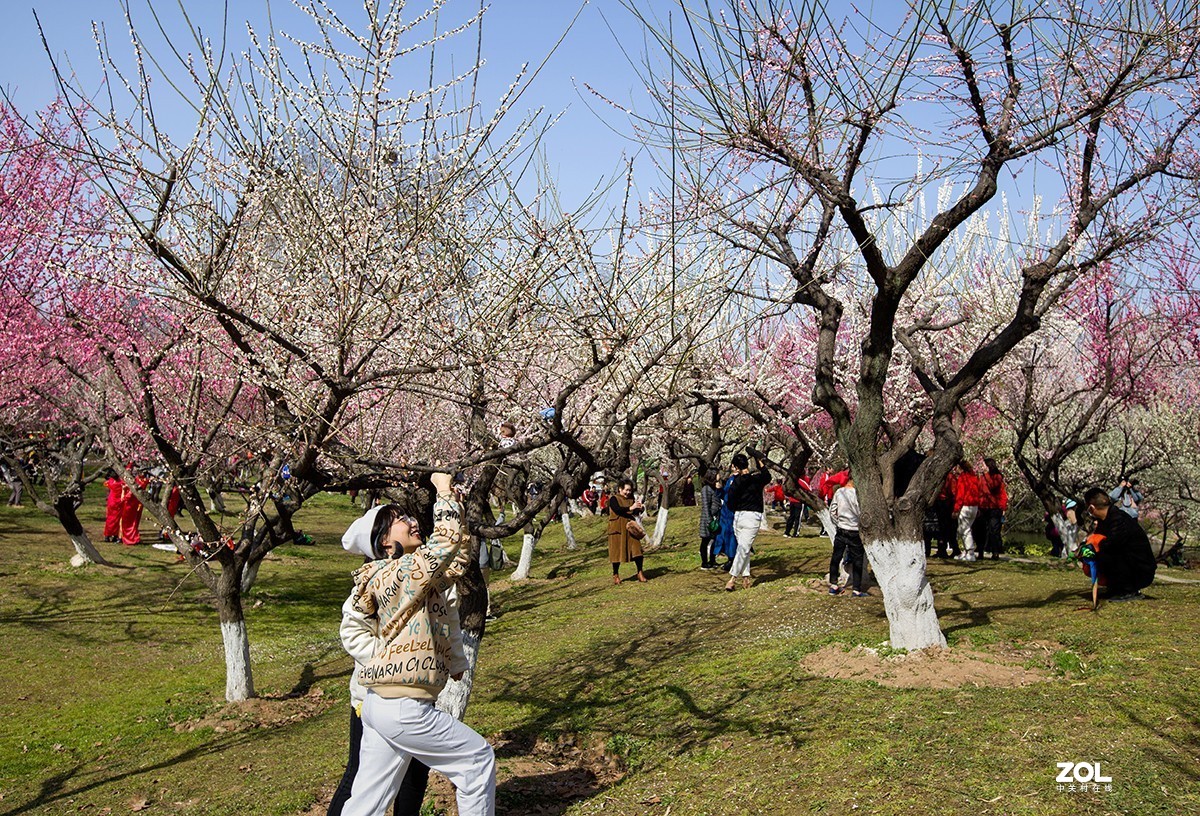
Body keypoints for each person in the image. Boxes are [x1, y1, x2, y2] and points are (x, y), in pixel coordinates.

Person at [340, 473, 494, 816]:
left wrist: (456, 505)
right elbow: (443, 545)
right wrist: (442, 492)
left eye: (407, 516)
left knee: (367, 801)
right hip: (403, 705)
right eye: (399, 520)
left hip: (385, 704)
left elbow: (454, 560)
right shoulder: (398, 574)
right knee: (476, 761)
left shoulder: (410, 575)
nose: (411, 521)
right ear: (383, 543)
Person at [1084, 488, 1156, 601]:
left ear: (1091, 508)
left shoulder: (1118, 520)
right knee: (1096, 555)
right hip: (1131, 566)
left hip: (1141, 571)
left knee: (1105, 554)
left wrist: (1091, 551)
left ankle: (1128, 590)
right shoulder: (1107, 519)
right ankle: (1116, 589)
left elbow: (1110, 546)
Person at [724, 450, 771, 592]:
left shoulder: (736, 482)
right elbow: (767, 476)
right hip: (752, 518)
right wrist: (759, 460)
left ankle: (740, 578)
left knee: (743, 548)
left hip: (739, 517)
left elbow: (730, 501)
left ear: (735, 467)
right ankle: (735, 578)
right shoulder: (756, 479)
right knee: (743, 549)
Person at [827, 475, 867, 596]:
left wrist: (838, 522)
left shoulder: (840, 492)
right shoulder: (860, 495)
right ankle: (856, 589)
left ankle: (833, 585)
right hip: (855, 530)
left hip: (842, 529)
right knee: (858, 560)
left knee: (836, 557)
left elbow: (832, 510)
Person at [607, 478, 647, 584]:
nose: (628, 492)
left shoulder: (631, 499)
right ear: (620, 489)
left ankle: (640, 572)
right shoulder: (613, 499)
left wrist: (640, 508)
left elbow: (634, 511)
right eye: (626, 490)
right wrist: (631, 507)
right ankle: (615, 574)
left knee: (637, 551)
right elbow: (618, 510)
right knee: (616, 553)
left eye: (630, 490)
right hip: (617, 529)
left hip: (630, 528)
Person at [976, 458, 1008, 560]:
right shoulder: (981, 477)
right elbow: (979, 491)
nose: (982, 467)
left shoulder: (997, 477)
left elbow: (993, 486)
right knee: (980, 530)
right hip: (983, 507)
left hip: (994, 508)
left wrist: (986, 474)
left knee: (994, 530)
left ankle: (995, 551)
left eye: (984, 465)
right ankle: (980, 551)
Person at [952, 460, 982, 561]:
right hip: (974, 506)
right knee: (966, 529)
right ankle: (967, 551)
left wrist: (956, 509)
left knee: (965, 530)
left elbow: (960, 494)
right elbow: (978, 492)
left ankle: (970, 553)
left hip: (966, 506)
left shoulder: (963, 478)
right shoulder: (974, 477)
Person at [698, 471, 722, 569]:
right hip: (708, 519)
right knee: (705, 541)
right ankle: (704, 562)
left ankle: (712, 560)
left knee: (714, 540)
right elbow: (706, 505)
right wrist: (709, 520)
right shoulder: (706, 489)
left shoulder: (712, 488)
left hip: (714, 517)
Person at [103, 471, 124, 542]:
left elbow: (107, 487)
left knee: (109, 518)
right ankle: (115, 535)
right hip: (118, 502)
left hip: (111, 501)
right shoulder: (121, 483)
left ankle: (107, 535)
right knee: (117, 519)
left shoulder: (110, 482)